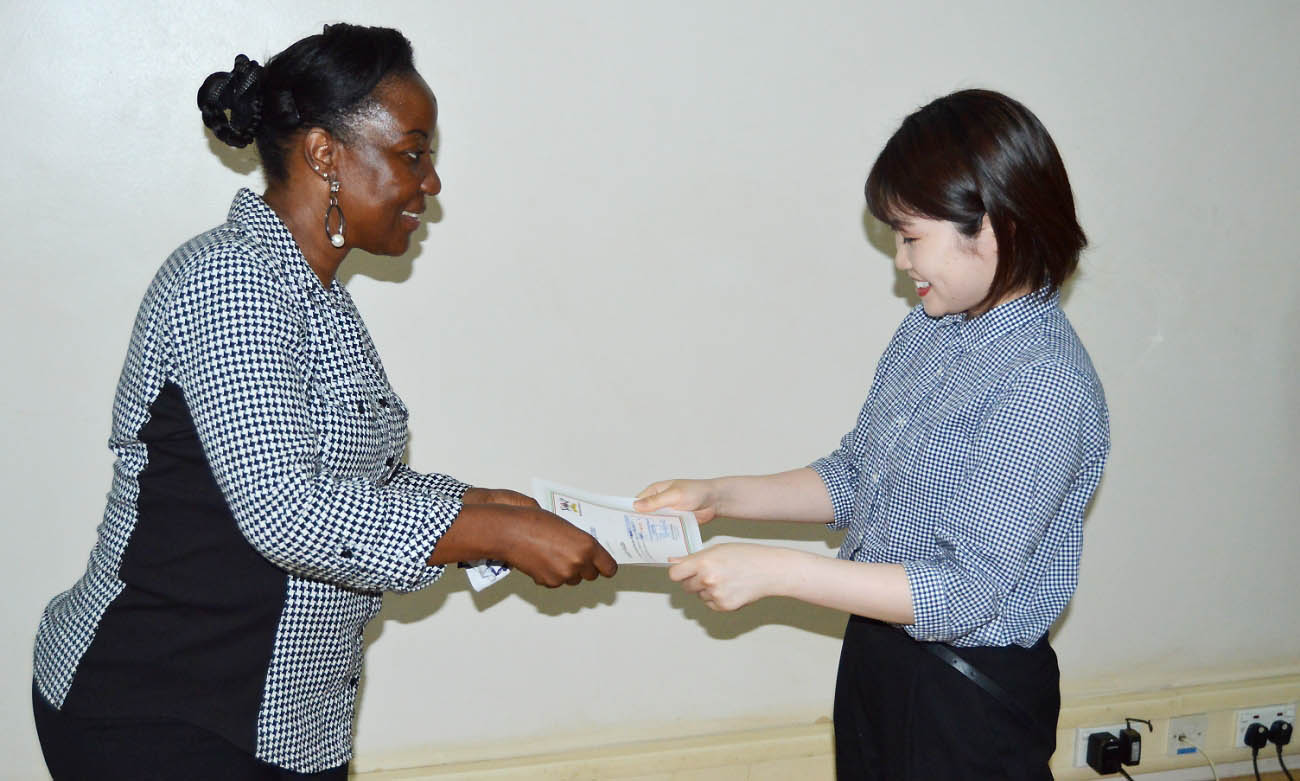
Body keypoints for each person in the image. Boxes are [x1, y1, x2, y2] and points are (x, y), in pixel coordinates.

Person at [32, 24, 617, 781]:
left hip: (285, 721)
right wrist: (495, 531)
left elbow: (350, 485)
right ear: (323, 153)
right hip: (159, 710)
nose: (431, 183)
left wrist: (484, 506)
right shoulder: (229, 283)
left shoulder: (315, 297)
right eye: (412, 153)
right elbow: (288, 509)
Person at [635, 89, 1110, 780]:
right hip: (881, 655)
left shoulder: (1042, 381)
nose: (899, 260)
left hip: (967, 693)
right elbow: (858, 476)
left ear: (997, 223)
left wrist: (776, 571)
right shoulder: (933, 327)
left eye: (912, 236)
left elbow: (964, 592)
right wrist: (719, 492)